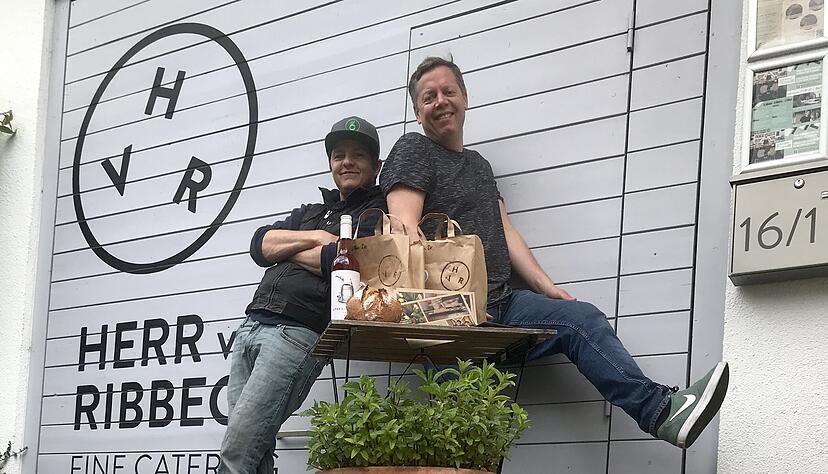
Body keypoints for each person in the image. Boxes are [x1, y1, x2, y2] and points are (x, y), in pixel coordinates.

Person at [379, 57, 728, 450]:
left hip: (502, 305)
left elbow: (505, 231)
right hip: (446, 320)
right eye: (429, 97)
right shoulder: (413, 148)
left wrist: (548, 288)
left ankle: (662, 412)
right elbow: (403, 231)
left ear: (465, 98)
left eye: (448, 92)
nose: (440, 101)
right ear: (417, 110)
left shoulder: (478, 165)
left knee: (580, 319)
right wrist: (451, 309)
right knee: (466, 442)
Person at [219, 116, 386, 473]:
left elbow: (340, 261)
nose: (347, 162)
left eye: (358, 155)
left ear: (376, 165)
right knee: (254, 448)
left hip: (297, 335)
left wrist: (293, 247)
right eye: (339, 155)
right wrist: (315, 238)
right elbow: (259, 244)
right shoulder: (310, 213)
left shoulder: (374, 215)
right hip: (251, 326)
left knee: (237, 452)